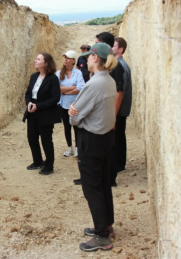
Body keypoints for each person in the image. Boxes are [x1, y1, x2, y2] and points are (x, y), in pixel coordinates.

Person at [69, 42, 118, 252]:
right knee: (103, 183)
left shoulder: (94, 84)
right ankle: (106, 225)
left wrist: (72, 112)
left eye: (89, 56)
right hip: (106, 138)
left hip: (91, 140)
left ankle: (101, 236)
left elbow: (75, 117)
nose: (87, 59)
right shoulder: (109, 81)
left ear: (95, 59)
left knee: (92, 188)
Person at [23, 53, 61, 175]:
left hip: (46, 114)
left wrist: (38, 106)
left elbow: (55, 98)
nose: (35, 61)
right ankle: (38, 161)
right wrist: (29, 103)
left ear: (46, 63)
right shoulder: (34, 76)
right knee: (32, 137)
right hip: (32, 112)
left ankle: (49, 165)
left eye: (38, 59)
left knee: (46, 140)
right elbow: (28, 93)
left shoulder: (53, 79)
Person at [95, 32, 125, 187]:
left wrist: (112, 116)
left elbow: (119, 92)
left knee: (110, 146)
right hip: (106, 112)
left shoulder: (116, 66)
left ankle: (110, 178)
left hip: (111, 112)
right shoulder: (108, 63)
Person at [55, 50, 85, 157]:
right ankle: (69, 147)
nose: (65, 60)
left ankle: (77, 148)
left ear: (73, 60)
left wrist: (64, 90)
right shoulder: (59, 73)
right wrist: (72, 88)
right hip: (63, 104)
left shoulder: (78, 73)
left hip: (75, 104)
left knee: (76, 126)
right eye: (65, 58)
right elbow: (57, 88)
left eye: (68, 58)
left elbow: (80, 88)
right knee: (66, 126)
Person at [111, 37, 132, 183]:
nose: (111, 48)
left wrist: (115, 111)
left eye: (113, 46)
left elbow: (120, 90)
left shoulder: (121, 65)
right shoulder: (121, 64)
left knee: (118, 136)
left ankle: (119, 164)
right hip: (120, 108)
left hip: (119, 108)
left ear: (120, 49)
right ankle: (120, 163)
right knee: (119, 135)